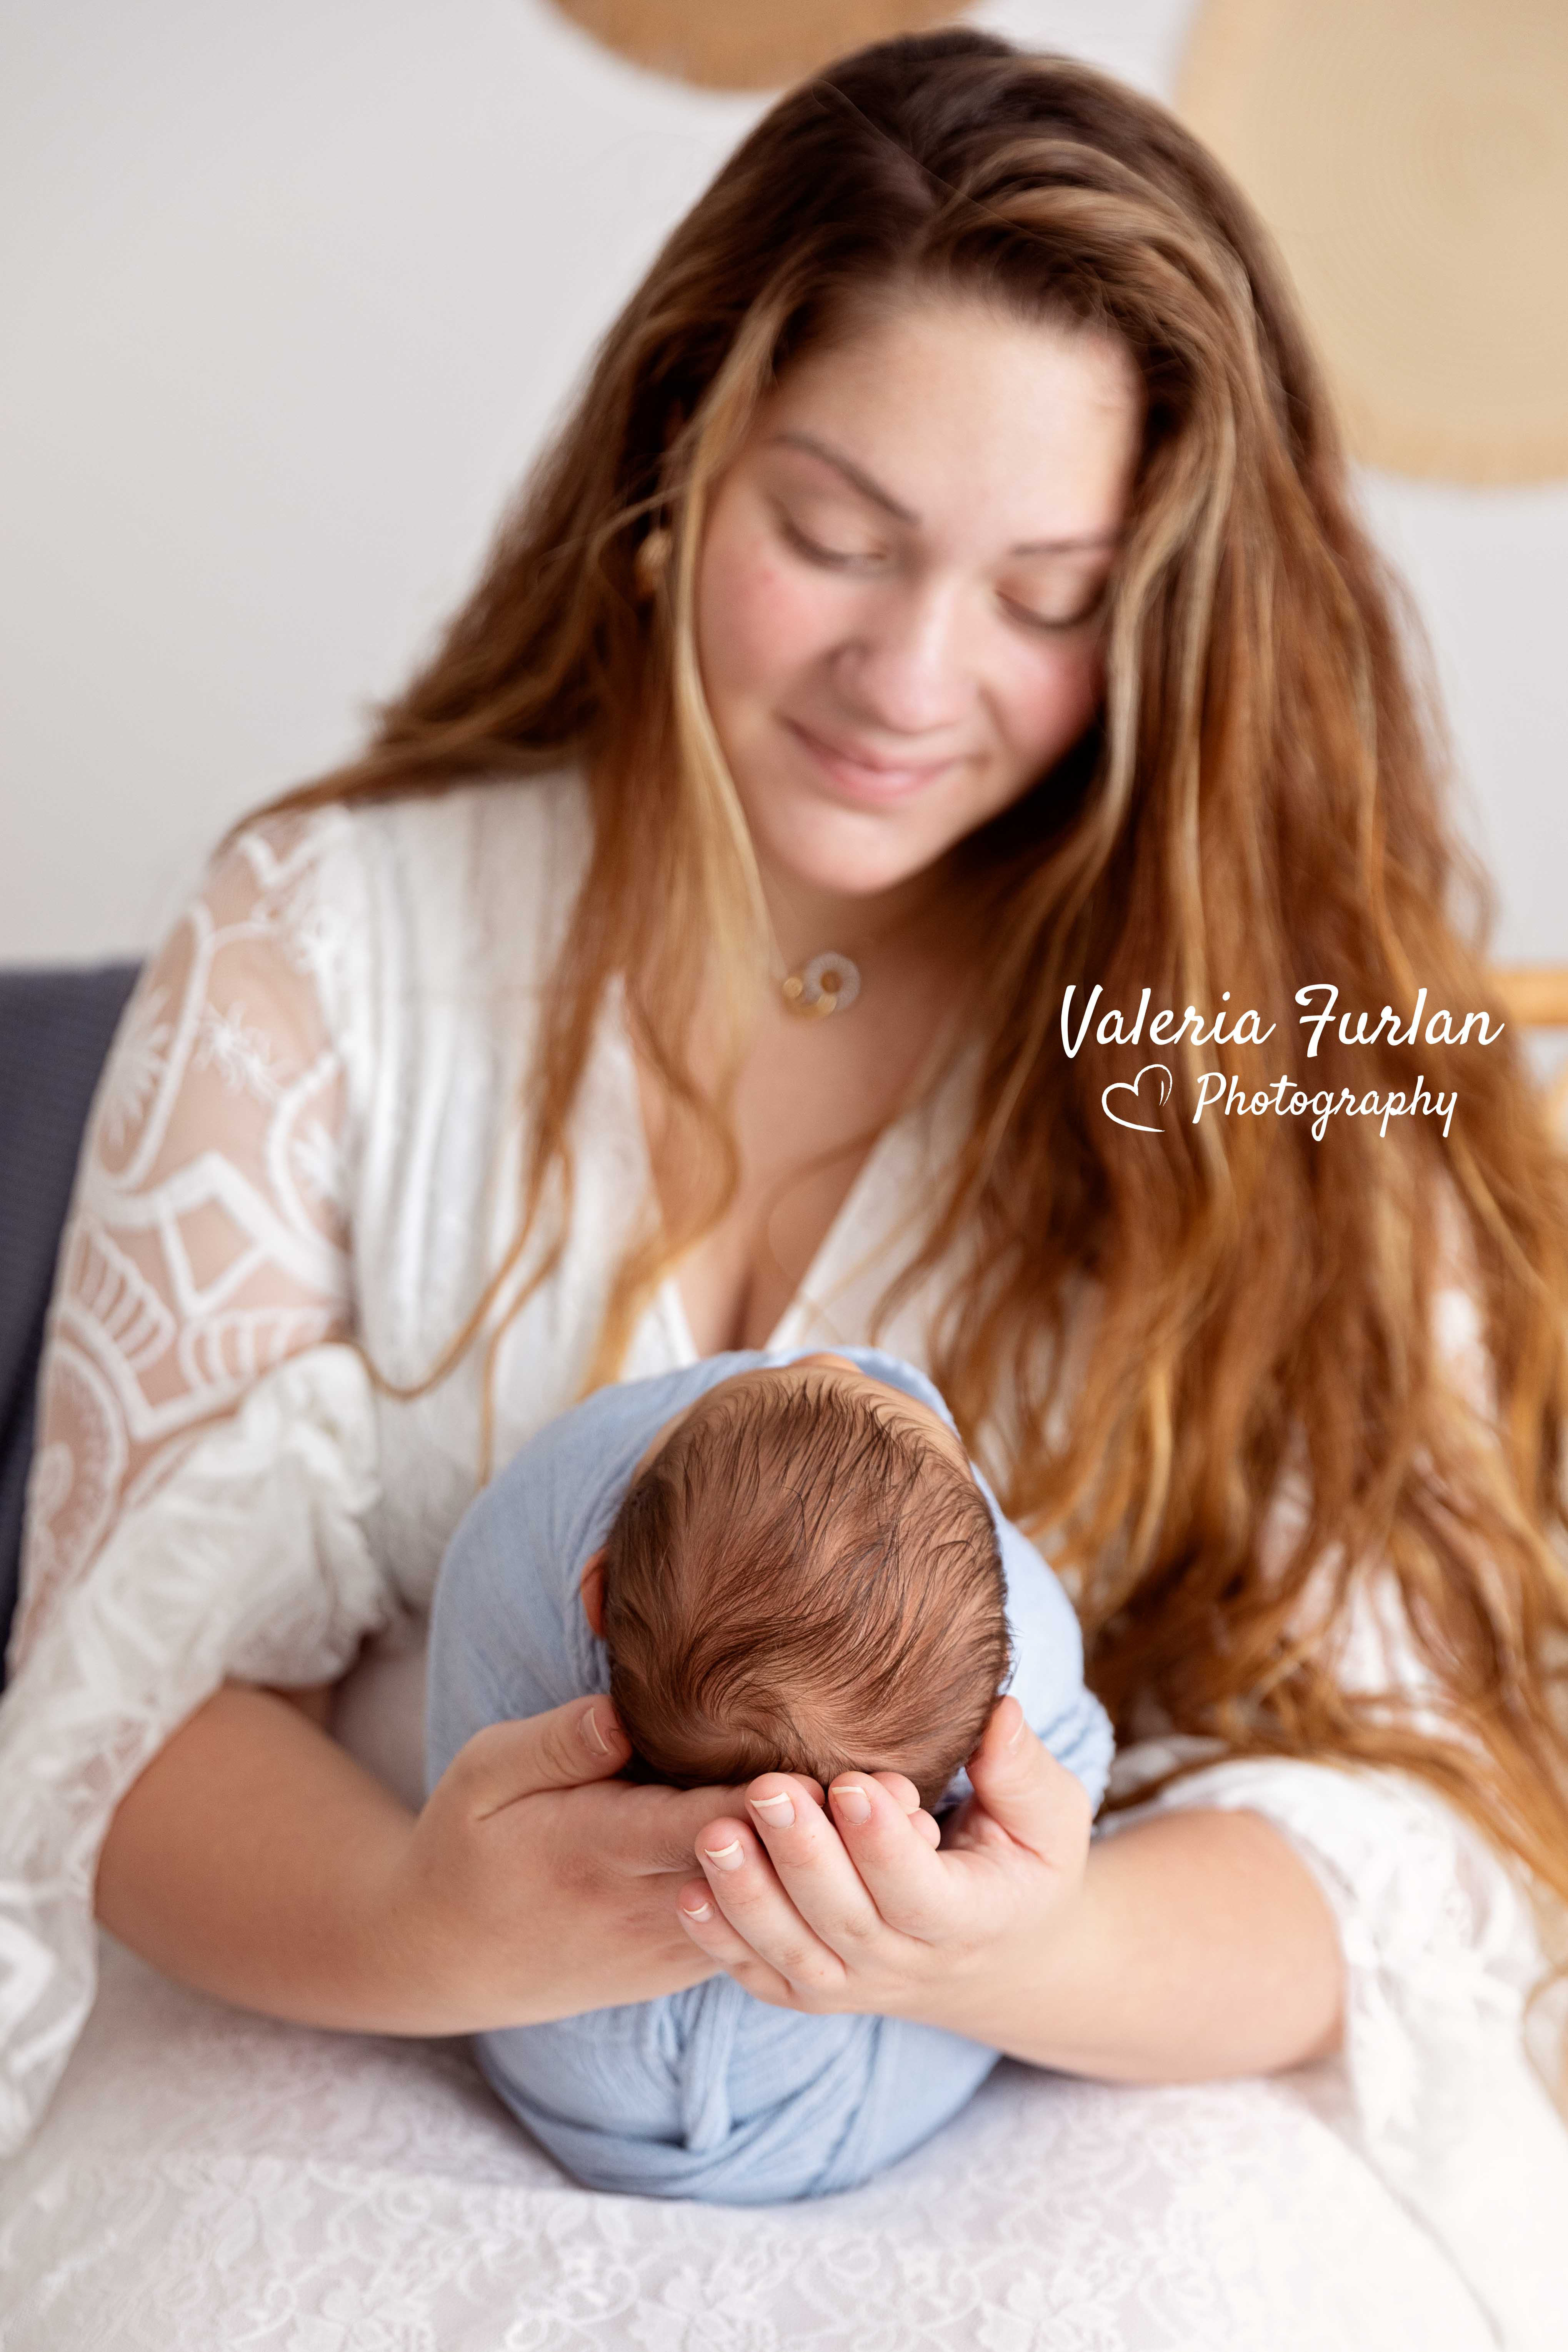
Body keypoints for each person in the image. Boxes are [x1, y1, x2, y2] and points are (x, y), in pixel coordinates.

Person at [2, 26, 1565, 2348]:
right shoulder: (321, 948)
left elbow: (1417, 1826)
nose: (909, 673)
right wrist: (440, 1916)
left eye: (1045, 594)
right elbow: (115, 1697)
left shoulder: (1250, 1033)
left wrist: (1026, 1945)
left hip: (1074, 2099)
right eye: (832, 535)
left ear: (1162, 615)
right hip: (339, 2013)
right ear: (673, 465)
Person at [425, 1342, 1113, 2202]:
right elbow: (1067, 1772)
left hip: (564, 2062)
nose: (829, 1355)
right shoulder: (1029, 1631)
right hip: (833, 2101)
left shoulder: (528, 1520)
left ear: (593, 1595)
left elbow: (465, 1701)